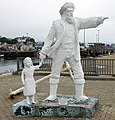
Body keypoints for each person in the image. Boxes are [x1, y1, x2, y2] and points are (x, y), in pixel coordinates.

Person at [40, 2, 108, 101]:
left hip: (73, 52)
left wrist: (98, 19)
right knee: (55, 72)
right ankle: (52, 95)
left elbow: (88, 21)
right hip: (60, 51)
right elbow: (49, 39)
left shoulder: (77, 21)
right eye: (69, 11)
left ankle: (79, 95)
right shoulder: (56, 23)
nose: (71, 13)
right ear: (63, 12)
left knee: (79, 73)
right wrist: (43, 51)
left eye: (72, 11)